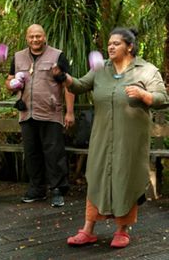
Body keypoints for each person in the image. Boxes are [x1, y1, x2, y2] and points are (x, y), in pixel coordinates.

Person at [53, 27, 168, 247]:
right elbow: (78, 86)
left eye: (116, 43)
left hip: (130, 140)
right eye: (109, 43)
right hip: (102, 137)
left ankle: (122, 230)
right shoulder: (100, 69)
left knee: (127, 176)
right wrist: (63, 77)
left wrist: (144, 95)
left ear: (130, 47)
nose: (111, 47)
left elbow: (162, 97)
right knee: (97, 175)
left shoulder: (147, 70)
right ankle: (87, 230)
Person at [5, 24, 75, 207]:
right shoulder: (18, 57)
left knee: (54, 153)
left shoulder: (57, 55)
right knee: (32, 152)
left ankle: (58, 190)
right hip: (27, 113)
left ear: (44, 37)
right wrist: (12, 83)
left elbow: (68, 84)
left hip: (51, 113)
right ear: (26, 38)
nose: (35, 40)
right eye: (31, 37)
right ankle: (37, 189)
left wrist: (69, 112)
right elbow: (9, 78)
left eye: (38, 36)